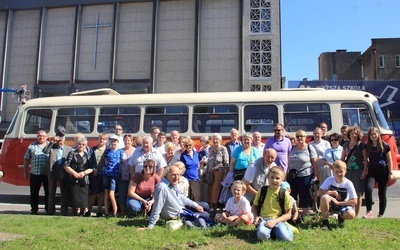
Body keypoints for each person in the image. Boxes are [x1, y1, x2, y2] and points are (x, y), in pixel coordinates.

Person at [145, 165, 209, 229]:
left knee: (205, 205)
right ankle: (191, 223)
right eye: (174, 175)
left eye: (178, 175)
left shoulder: (174, 183)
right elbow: (157, 207)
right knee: (206, 214)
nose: (177, 177)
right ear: (166, 175)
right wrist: (151, 225)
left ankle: (192, 222)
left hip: (182, 208)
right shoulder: (162, 187)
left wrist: (195, 205)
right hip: (176, 214)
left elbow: (182, 198)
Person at [252, 167, 293, 241]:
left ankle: (283, 229)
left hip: (278, 220)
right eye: (272, 177)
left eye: (277, 178)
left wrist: (274, 221)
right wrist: (256, 217)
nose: (274, 180)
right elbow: (254, 206)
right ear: (268, 177)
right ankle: (268, 231)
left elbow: (288, 214)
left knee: (287, 239)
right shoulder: (262, 191)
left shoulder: (284, 193)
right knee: (262, 236)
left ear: (282, 180)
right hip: (264, 219)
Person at [317, 160, 357, 230]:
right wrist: (332, 192)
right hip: (330, 204)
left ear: (345, 171)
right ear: (333, 171)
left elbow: (354, 201)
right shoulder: (329, 180)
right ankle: (325, 221)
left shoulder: (348, 183)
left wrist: (338, 203)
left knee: (351, 214)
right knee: (324, 197)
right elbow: (319, 192)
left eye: (341, 171)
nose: (338, 174)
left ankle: (341, 217)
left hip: (342, 205)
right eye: (336, 171)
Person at [42, 126, 73, 215]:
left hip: (63, 172)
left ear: (64, 140)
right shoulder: (52, 147)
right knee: (51, 191)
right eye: (58, 141)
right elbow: (45, 151)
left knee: (64, 192)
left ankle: (64, 211)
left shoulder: (69, 149)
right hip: (52, 171)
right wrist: (51, 142)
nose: (60, 143)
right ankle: (51, 210)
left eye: (61, 140)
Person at [363, 127, 393, 218]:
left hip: (383, 170)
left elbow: (389, 159)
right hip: (372, 170)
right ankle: (369, 211)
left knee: (382, 193)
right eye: (371, 134)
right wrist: (365, 170)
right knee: (368, 189)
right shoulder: (367, 146)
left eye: (375, 134)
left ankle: (381, 213)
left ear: (378, 134)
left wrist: (390, 173)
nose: (373, 136)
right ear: (369, 136)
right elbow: (365, 159)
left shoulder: (385, 145)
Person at [287, 129, 317, 217]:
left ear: (305, 137)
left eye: (302, 136)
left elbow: (315, 163)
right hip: (293, 176)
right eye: (298, 136)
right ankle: (294, 215)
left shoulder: (309, 148)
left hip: (305, 175)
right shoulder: (292, 148)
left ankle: (304, 215)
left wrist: (316, 176)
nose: (300, 138)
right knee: (292, 196)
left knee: (304, 196)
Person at [340, 126, 367, 217]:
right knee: (347, 192)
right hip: (348, 171)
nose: (354, 135)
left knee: (358, 193)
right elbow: (342, 159)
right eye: (352, 133)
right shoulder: (345, 145)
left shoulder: (361, 145)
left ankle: (356, 214)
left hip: (358, 170)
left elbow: (365, 159)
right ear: (349, 134)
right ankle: (347, 212)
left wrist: (364, 171)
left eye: (356, 133)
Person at [64, 137, 92, 216]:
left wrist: (84, 173)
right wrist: (74, 173)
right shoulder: (72, 153)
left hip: (84, 180)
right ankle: (76, 212)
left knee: (84, 198)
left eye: (83, 144)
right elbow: (66, 166)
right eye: (79, 144)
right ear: (77, 144)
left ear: (85, 145)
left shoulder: (87, 155)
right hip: (74, 179)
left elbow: (91, 168)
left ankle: (84, 212)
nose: (81, 146)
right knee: (75, 198)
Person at [23, 130, 50, 215]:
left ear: (46, 137)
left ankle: (48, 209)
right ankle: (34, 209)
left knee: (48, 192)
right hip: (35, 173)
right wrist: (25, 172)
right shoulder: (31, 146)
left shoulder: (50, 145)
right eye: (39, 136)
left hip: (47, 174)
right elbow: (26, 159)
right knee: (34, 192)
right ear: (37, 137)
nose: (41, 137)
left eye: (43, 136)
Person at [206, 133, 229, 212]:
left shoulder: (223, 149)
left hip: (219, 172)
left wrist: (226, 174)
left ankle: (216, 209)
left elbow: (226, 163)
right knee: (210, 190)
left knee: (216, 190)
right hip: (210, 172)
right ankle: (211, 208)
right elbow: (209, 161)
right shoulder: (210, 149)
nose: (215, 141)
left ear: (220, 140)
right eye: (214, 139)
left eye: (217, 139)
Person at [88, 132, 108, 217]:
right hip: (95, 174)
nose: (101, 140)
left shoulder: (108, 150)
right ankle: (88, 210)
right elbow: (89, 161)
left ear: (106, 141)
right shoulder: (93, 149)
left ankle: (99, 211)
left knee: (102, 194)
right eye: (100, 138)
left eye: (103, 139)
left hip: (104, 174)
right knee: (93, 193)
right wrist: (92, 170)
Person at [103, 134, 123, 217]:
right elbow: (105, 161)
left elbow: (121, 163)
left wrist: (120, 172)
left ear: (117, 142)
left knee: (112, 194)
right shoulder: (107, 151)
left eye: (115, 141)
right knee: (106, 193)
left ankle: (115, 212)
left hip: (114, 175)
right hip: (106, 174)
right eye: (112, 141)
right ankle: (106, 212)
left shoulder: (120, 151)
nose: (113, 143)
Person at [118, 134, 136, 215]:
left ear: (132, 141)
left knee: (132, 193)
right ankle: (122, 211)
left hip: (133, 177)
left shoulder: (136, 151)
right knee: (122, 193)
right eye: (125, 140)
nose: (127, 142)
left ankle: (131, 211)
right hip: (122, 176)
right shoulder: (120, 151)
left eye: (128, 140)